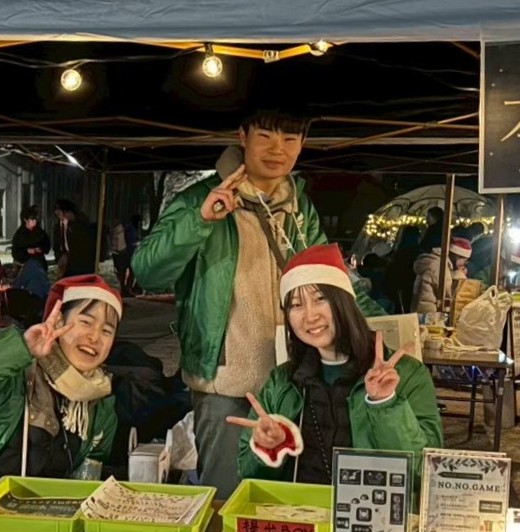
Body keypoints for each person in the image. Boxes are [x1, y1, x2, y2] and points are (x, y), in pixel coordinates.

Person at [131, 108, 385, 498]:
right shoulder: (200, 199)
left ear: (302, 144)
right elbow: (146, 271)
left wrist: (388, 328)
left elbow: (332, 280)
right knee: (227, 495)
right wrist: (200, 221)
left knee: (288, 495)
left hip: (293, 380)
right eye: (265, 136)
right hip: (225, 382)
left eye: (290, 139)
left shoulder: (299, 208)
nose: (277, 149)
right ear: (243, 136)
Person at [228, 244, 443, 485]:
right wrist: (270, 449)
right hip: (299, 506)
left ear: (345, 302)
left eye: (320, 299)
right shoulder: (281, 382)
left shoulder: (407, 375)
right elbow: (249, 475)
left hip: (370, 506)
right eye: (296, 305)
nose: (310, 316)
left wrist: (385, 404)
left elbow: (425, 473)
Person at [0, 275, 122, 480]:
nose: (94, 337)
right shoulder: (9, 372)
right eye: (86, 322)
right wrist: (21, 348)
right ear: (59, 321)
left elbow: (89, 472)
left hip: (42, 501)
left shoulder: (100, 405)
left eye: (107, 331)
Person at [412, 237, 471, 313]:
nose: (464, 264)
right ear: (456, 256)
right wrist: (460, 275)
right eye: (465, 260)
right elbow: (451, 295)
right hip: (430, 313)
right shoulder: (439, 266)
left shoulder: (437, 262)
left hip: (424, 309)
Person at [11, 205, 51, 269]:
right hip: (25, 263)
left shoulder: (40, 232)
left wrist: (40, 249)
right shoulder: (19, 234)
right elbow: (15, 252)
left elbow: (47, 245)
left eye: (35, 219)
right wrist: (27, 251)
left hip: (39, 262)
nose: (34, 221)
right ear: (25, 220)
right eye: (32, 219)